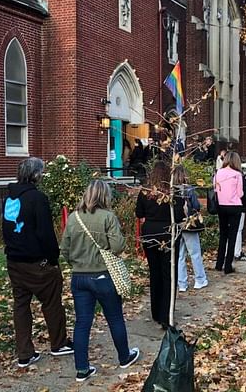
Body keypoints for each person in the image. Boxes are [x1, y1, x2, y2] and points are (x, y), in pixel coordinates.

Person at [60, 180, 141, 382]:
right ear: (104, 196)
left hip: (79, 277)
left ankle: (82, 368)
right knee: (114, 318)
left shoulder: (73, 217)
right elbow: (118, 246)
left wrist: (77, 262)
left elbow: (64, 249)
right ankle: (124, 356)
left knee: (82, 323)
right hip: (103, 275)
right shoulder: (108, 217)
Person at [2, 158, 74, 369]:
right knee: (52, 302)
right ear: (36, 174)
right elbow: (45, 233)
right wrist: (53, 259)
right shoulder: (37, 198)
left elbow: (8, 228)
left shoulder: (10, 197)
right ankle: (58, 343)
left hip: (14, 261)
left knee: (21, 306)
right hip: (37, 263)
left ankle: (24, 352)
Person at [136, 161, 185, 329]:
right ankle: (166, 314)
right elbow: (178, 216)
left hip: (149, 232)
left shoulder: (145, 192)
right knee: (169, 274)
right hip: (168, 233)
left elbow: (138, 213)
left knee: (154, 272)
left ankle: (156, 312)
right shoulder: (173, 193)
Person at [173, 166, 209, 292]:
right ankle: (200, 279)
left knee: (179, 255)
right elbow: (196, 206)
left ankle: (182, 283)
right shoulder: (189, 190)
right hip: (189, 224)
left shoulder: (171, 191)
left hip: (176, 225)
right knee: (195, 253)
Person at [214, 151, 244, 273]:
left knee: (223, 235)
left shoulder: (218, 173)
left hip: (221, 206)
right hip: (235, 206)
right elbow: (240, 193)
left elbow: (215, 189)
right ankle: (228, 266)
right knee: (232, 236)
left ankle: (219, 263)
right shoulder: (237, 174)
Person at [233, 167, 246, 262]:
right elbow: (243, 194)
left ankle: (226, 252)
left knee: (226, 230)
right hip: (238, 206)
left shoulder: (220, 174)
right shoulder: (239, 177)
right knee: (238, 230)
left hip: (223, 207)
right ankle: (237, 252)